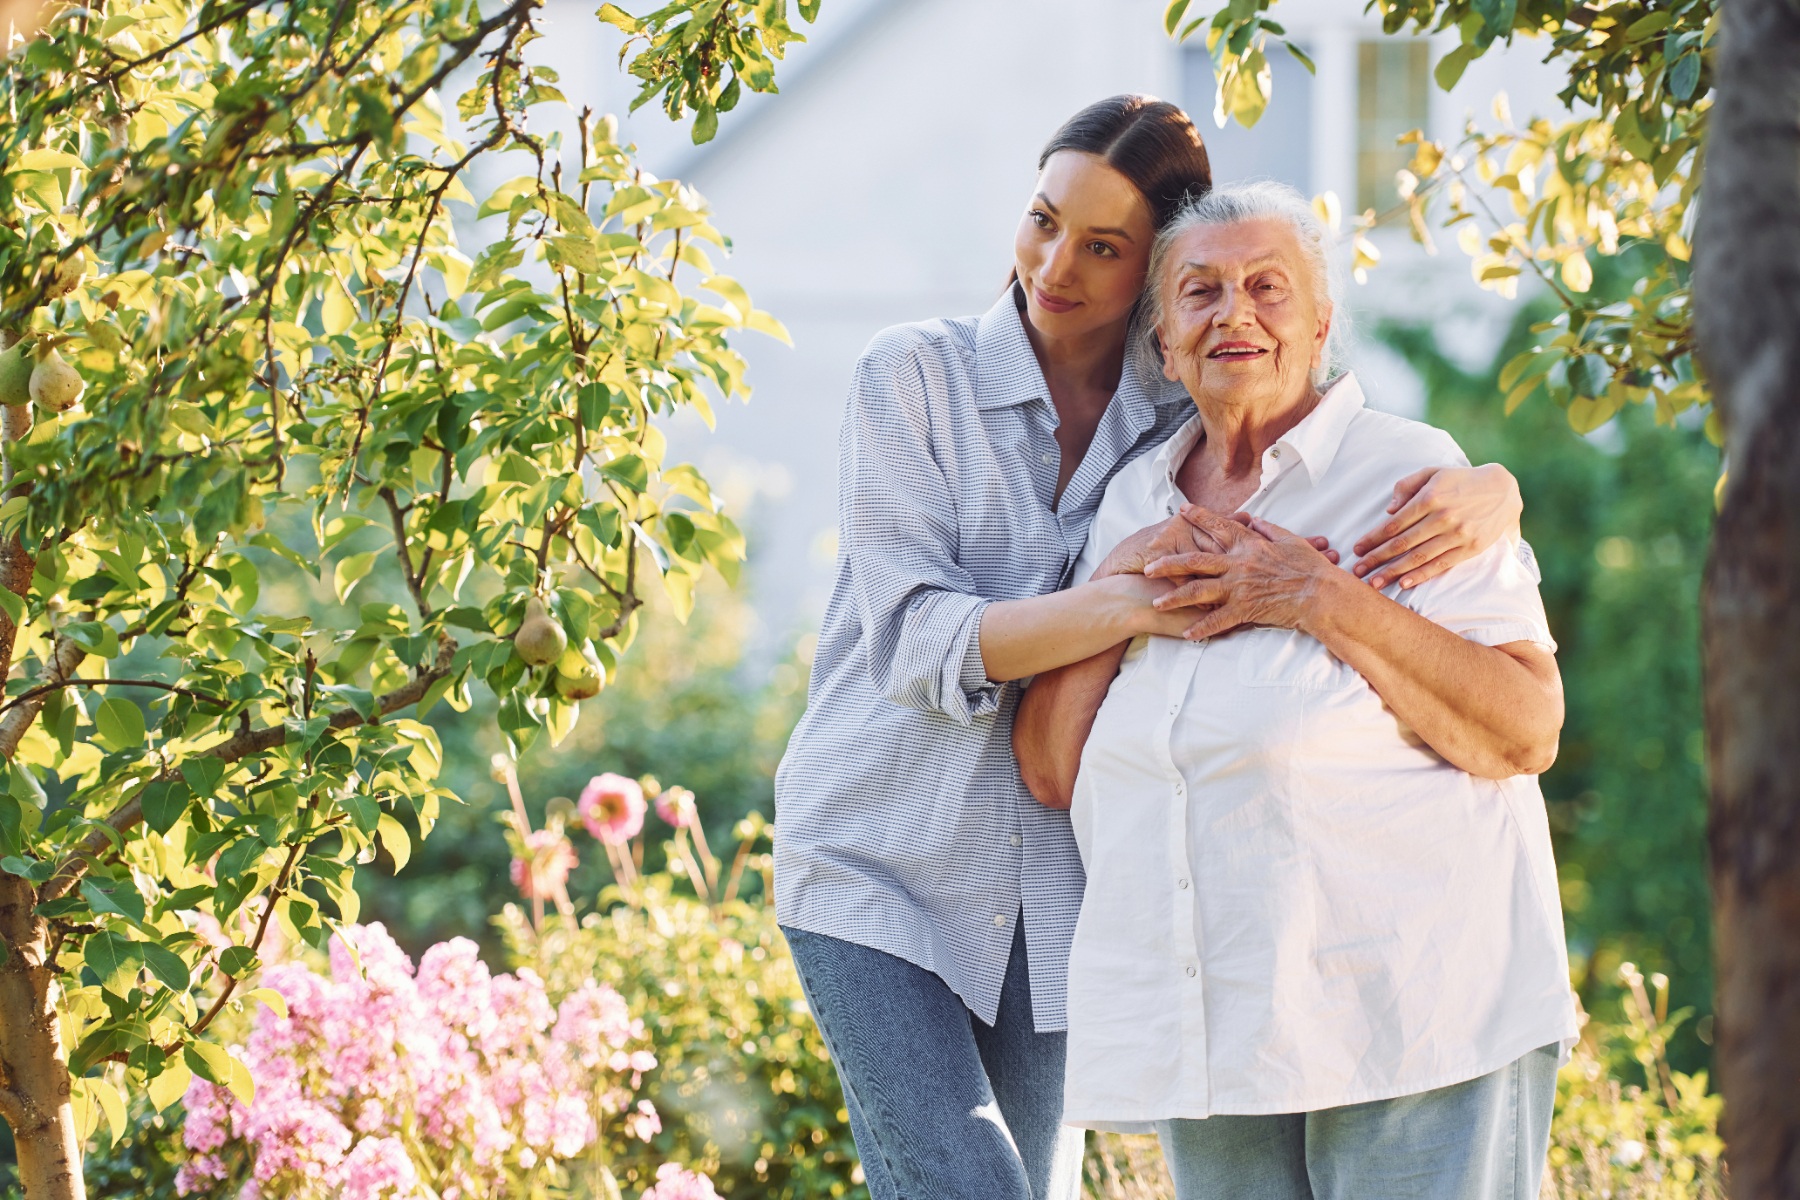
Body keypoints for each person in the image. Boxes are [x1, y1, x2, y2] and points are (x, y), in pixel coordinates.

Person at [774, 97, 1531, 1200]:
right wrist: (1128, 597)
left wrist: (1498, 491)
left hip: (1051, 888)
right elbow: (914, 639)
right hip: (878, 861)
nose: (1054, 266)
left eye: (1104, 247)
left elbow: (1320, 437)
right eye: (1043, 221)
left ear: (1151, 280)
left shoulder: (1166, 413)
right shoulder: (914, 377)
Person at [1014, 180, 1577, 1200]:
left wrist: (1320, 598)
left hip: (1415, 1018)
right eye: (1200, 293)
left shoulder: (1410, 476)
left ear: (1320, 325)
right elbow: (1053, 769)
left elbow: (1524, 728)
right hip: (1216, 1035)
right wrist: (1119, 590)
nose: (1234, 312)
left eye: (1268, 287)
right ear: (1167, 340)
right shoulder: (1133, 504)